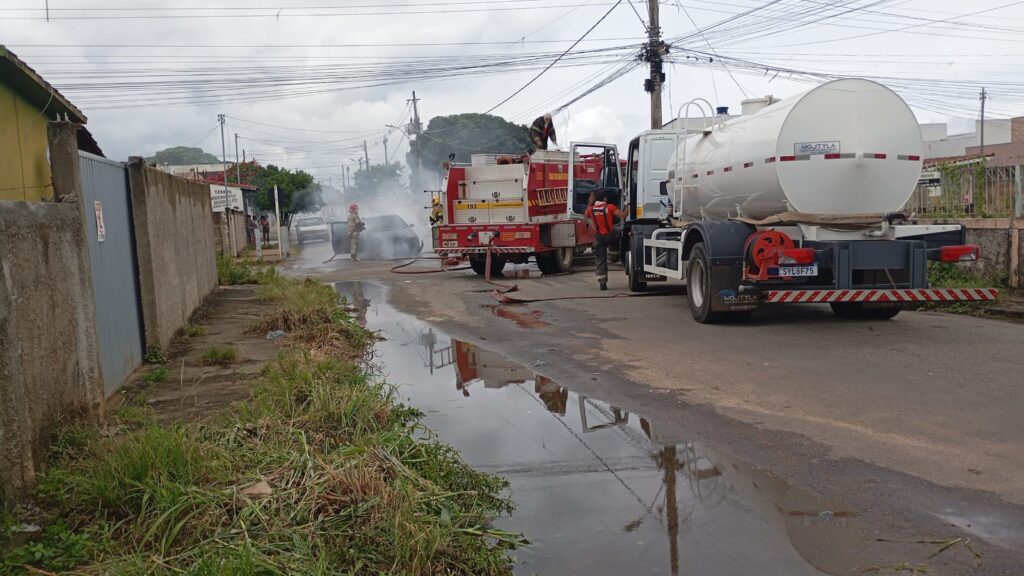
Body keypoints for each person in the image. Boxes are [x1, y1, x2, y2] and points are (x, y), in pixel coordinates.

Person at [585, 189, 621, 291]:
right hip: (610, 236)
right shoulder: (610, 207)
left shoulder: (590, 210)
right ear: (605, 198)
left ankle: (602, 283)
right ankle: (614, 255)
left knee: (600, 259)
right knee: (618, 232)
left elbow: (586, 215)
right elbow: (622, 215)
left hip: (599, 238)